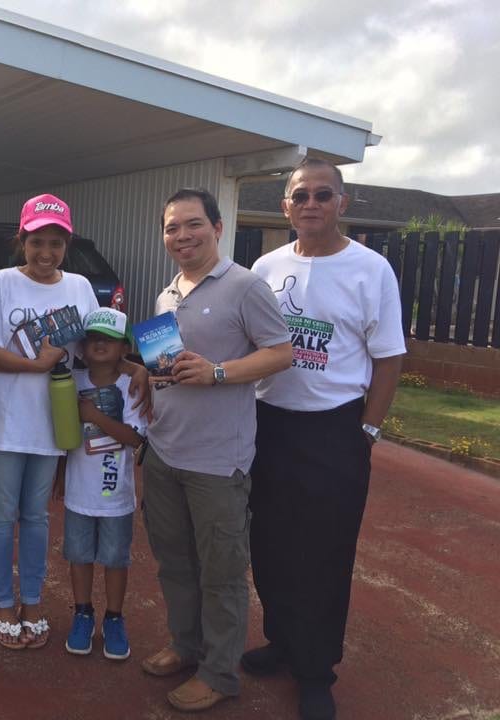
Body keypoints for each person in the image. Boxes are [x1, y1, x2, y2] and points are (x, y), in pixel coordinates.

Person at [245, 158, 405, 720]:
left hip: (335, 428)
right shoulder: (265, 266)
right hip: (268, 423)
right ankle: (284, 641)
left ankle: (317, 671)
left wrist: (366, 429)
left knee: (324, 553)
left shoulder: (371, 269)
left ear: (343, 202)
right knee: (267, 545)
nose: (310, 204)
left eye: (322, 195)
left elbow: (389, 359)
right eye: (300, 196)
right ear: (285, 205)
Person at [0, 194, 149, 651]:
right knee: (2, 514)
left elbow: (96, 348)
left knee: (38, 516)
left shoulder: (80, 288)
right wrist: (37, 365)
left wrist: (134, 366)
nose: (46, 253)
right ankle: (2, 605)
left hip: (54, 421)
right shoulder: (2, 283)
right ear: (21, 240)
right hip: (5, 421)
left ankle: (32, 602)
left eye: (56, 244)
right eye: (37, 242)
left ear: (67, 244)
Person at [140, 188, 292, 712]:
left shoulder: (245, 286)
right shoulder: (166, 295)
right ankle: (186, 646)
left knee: (222, 573)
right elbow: (166, 366)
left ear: (218, 227)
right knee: (174, 564)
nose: (182, 235)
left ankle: (220, 672)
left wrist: (218, 372)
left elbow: (282, 352)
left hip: (217, 462)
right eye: (171, 227)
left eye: (192, 225)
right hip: (164, 451)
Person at [54, 308, 146, 662]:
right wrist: (60, 474)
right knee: (78, 557)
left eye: (109, 338)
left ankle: (114, 618)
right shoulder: (72, 381)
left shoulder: (132, 384)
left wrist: (93, 415)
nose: (99, 343)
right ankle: (82, 614)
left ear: (124, 346)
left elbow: (135, 439)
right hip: (79, 493)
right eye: (93, 337)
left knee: (115, 559)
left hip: (116, 497)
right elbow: (65, 434)